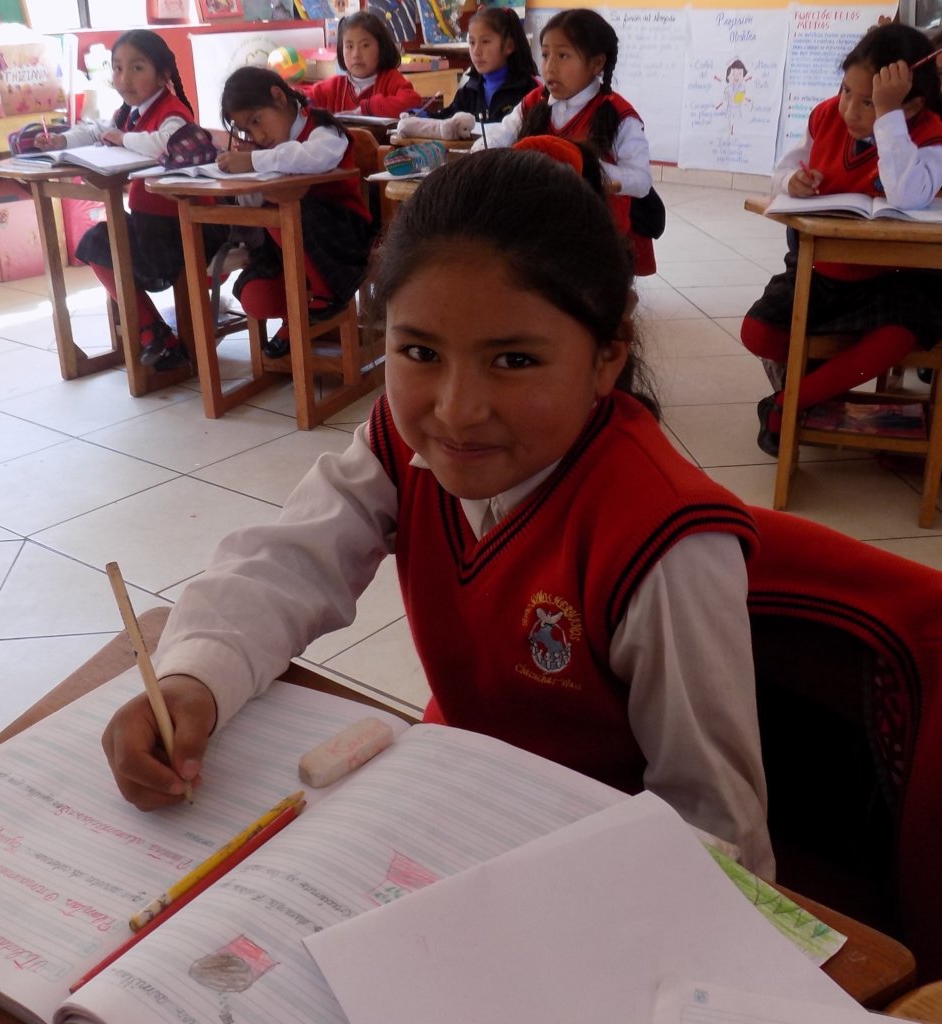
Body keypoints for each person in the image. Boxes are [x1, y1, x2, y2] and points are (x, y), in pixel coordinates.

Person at [100, 147, 774, 879]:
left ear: (607, 357)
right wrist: (194, 680)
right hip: (453, 800)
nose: (456, 411)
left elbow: (718, 834)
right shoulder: (398, 447)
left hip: (591, 869)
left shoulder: (664, 544)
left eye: (513, 361)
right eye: (420, 351)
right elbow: (285, 567)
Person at [741, 23, 942, 456]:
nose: (850, 110)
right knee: (757, 332)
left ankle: (787, 405)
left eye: (868, 101)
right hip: (820, 271)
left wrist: (888, 117)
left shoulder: (929, 133)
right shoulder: (826, 116)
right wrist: (791, 182)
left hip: (894, 279)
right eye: (846, 91)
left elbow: (908, 194)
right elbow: (781, 171)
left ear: (912, 106)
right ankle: (822, 386)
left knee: (895, 338)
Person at [35, 29, 226, 372]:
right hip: (150, 225)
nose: (124, 78)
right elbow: (96, 130)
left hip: (186, 226)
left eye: (137, 68)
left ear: (163, 75)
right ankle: (153, 332)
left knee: (109, 245)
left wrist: (122, 138)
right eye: (118, 68)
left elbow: (164, 143)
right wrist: (61, 142)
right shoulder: (128, 112)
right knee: (97, 241)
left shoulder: (173, 112)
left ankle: (154, 334)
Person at [472, 8, 657, 275]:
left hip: (597, 237)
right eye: (545, 55)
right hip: (541, 231)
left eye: (563, 56)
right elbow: (500, 135)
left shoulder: (619, 114)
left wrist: (587, 169)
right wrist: (483, 151)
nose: (550, 67)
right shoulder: (533, 102)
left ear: (596, 63)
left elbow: (641, 181)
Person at [216, 66, 375, 360]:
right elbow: (251, 204)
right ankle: (301, 313)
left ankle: (326, 297)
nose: (258, 135)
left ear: (278, 97)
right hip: (286, 250)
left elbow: (314, 158)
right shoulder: (260, 149)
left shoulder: (322, 129)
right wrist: (244, 170)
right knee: (255, 296)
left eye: (257, 120)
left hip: (340, 238)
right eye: (247, 129)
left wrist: (255, 160)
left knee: (286, 209)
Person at [306, 11, 423, 118]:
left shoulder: (390, 79)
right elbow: (303, 97)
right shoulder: (335, 86)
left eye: (365, 45)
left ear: (381, 48)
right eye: (349, 46)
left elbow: (413, 102)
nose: (356, 54)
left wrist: (367, 108)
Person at [434, 6, 539, 123]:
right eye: (472, 42)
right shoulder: (469, 91)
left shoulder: (530, 92)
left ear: (509, 46)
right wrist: (421, 117)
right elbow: (446, 120)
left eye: (485, 41)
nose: (476, 51)